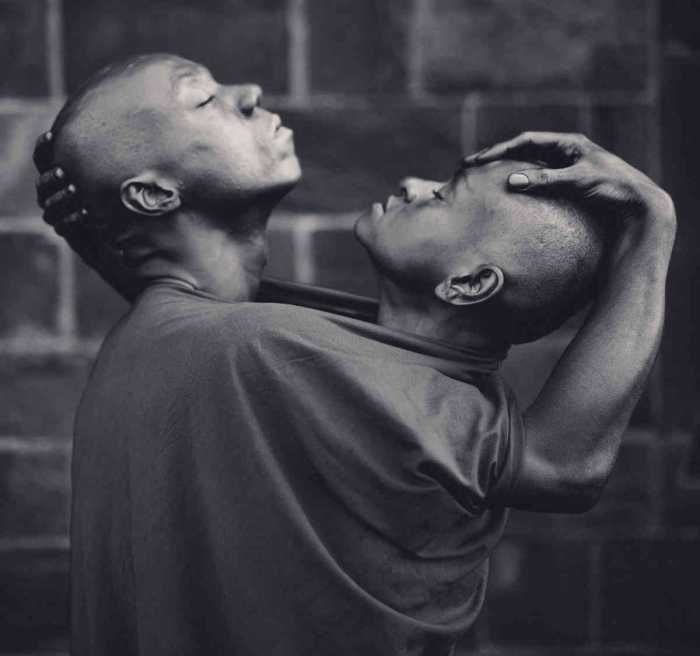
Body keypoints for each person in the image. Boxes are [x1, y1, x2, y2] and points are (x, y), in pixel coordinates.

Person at [33, 54, 675, 656]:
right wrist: (651, 226)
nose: (249, 92)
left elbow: (194, 326)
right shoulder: (258, 352)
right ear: (153, 196)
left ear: (471, 283)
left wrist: (113, 231)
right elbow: (561, 464)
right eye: (203, 99)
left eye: (444, 195)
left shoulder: (223, 349)